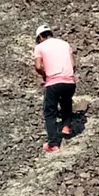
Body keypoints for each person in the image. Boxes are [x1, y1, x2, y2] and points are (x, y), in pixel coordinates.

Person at [33, 24, 77, 154]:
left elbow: (38, 66)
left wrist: (45, 75)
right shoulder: (65, 44)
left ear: (40, 37)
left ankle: (53, 144)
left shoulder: (39, 47)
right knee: (66, 102)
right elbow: (73, 64)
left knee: (49, 112)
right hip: (70, 81)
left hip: (53, 82)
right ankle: (66, 126)